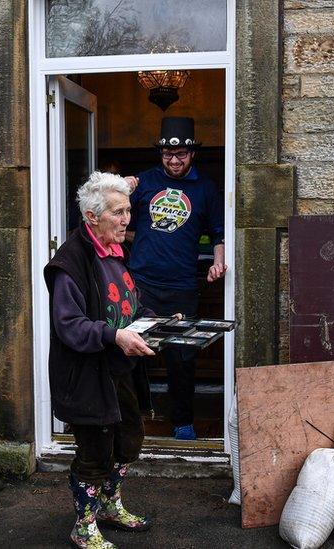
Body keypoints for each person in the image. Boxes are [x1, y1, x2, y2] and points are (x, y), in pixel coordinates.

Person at [44, 172, 156, 549]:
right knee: (94, 452)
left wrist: (156, 321)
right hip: (87, 375)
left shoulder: (113, 250)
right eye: (118, 213)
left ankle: (110, 505)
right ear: (92, 217)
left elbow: (124, 304)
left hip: (119, 371)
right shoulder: (71, 263)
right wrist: (114, 335)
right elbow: (70, 327)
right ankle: (84, 525)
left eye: (127, 211)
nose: (126, 220)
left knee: (127, 442)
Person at [123, 116, 226, 440]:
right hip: (141, 285)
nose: (174, 160)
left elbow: (219, 234)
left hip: (182, 287)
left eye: (181, 154)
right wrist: (118, 185)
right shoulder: (144, 182)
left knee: (182, 359)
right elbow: (110, 214)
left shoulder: (205, 189)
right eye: (168, 154)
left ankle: (182, 423)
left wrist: (218, 264)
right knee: (132, 354)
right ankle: (132, 420)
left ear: (191, 154)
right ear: (161, 154)